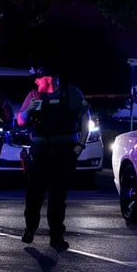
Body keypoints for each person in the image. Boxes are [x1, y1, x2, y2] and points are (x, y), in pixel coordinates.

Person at [16, 63, 91, 252]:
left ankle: (56, 236)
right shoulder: (34, 96)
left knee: (58, 198)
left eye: (38, 77)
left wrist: (81, 144)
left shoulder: (71, 93)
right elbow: (20, 120)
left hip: (64, 152)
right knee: (34, 195)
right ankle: (30, 229)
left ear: (48, 78)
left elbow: (85, 117)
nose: (35, 81)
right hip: (40, 152)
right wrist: (28, 110)